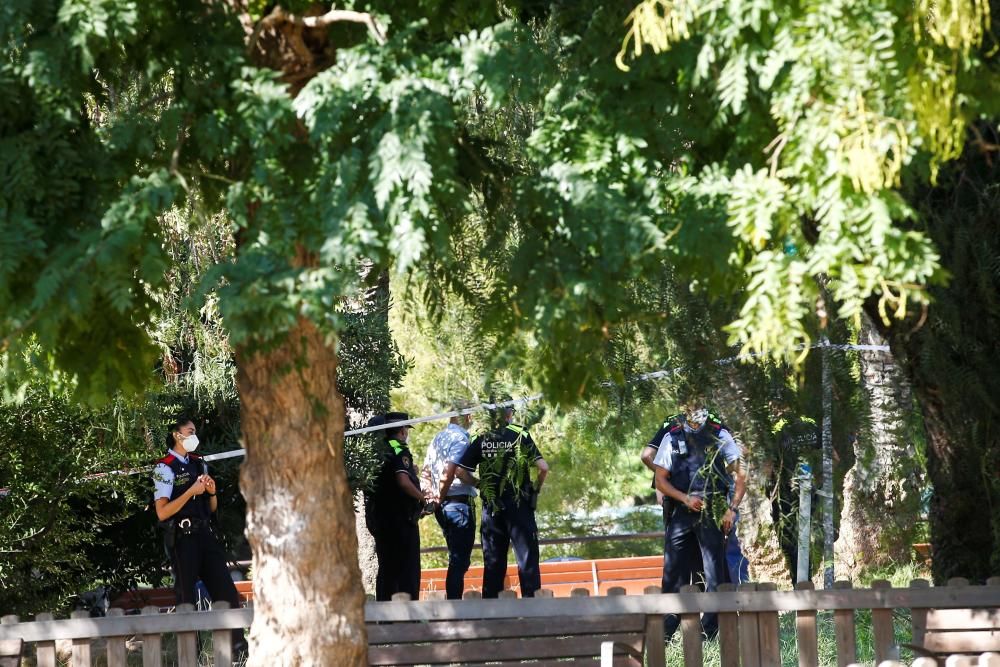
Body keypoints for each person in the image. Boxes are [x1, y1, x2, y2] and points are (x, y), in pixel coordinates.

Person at [152, 418, 246, 653]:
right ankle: (191, 655)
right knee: (186, 598)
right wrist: (190, 491)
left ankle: (238, 650)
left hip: (205, 534)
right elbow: (162, 512)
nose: (195, 436)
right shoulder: (163, 467)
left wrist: (212, 493)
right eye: (190, 431)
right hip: (182, 539)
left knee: (225, 590)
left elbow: (210, 509)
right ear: (177, 435)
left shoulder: (199, 463)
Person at [654, 407, 746, 641]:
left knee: (714, 571)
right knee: (672, 571)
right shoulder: (671, 435)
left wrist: (731, 510)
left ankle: (709, 631)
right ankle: (666, 629)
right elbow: (660, 480)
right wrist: (684, 498)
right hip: (681, 509)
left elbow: (742, 475)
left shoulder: (720, 434)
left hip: (712, 509)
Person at [456, 398, 549, 598]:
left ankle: (492, 615)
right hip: (519, 505)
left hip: (492, 507)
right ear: (508, 414)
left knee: (493, 563)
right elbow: (543, 468)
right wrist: (535, 490)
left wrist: (480, 485)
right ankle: (532, 614)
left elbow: (460, 472)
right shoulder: (520, 434)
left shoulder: (480, 437)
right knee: (527, 560)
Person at [369, 412, 433, 601]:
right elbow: (403, 482)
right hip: (401, 520)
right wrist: (423, 499)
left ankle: (384, 614)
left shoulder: (378, 452)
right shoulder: (399, 450)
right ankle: (408, 615)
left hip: (380, 519)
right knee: (407, 570)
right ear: (402, 430)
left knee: (387, 569)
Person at [421, 400, 478, 600]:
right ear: (467, 416)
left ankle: (453, 603)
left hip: (442, 507)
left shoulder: (438, 438)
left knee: (457, 556)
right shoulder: (461, 439)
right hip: (458, 503)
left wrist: (431, 498)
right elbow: (455, 471)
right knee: (459, 560)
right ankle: (455, 607)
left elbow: (426, 471)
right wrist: (480, 484)